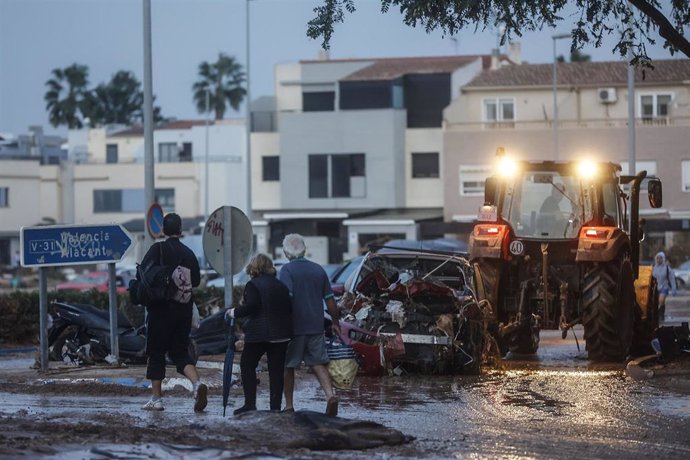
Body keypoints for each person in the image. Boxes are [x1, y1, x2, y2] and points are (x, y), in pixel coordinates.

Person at [140, 213, 207, 412]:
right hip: (183, 310)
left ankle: (156, 399)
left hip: (160, 310)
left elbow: (143, 273)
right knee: (180, 352)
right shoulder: (188, 253)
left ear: (163, 229)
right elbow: (195, 281)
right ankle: (196, 384)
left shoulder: (157, 249)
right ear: (180, 230)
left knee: (156, 352)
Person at [278, 233, 342, 417]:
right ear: (304, 249)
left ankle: (289, 405)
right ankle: (330, 395)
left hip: (294, 328)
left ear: (286, 252)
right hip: (316, 326)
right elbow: (330, 301)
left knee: (288, 366)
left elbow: (286, 299)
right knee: (318, 363)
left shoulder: (287, 270)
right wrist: (335, 323)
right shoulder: (318, 270)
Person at [226, 254, 292, 415]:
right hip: (281, 334)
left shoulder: (253, 285)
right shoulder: (281, 286)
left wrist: (233, 312)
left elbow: (253, 306)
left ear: (254, 267)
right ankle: (275, 407)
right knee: (276, 370)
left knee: (247, 364)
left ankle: (250, 404)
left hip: (260, 334)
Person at [652, 251, 677, 322]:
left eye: (661, 258)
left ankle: (660, 315)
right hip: (656, 288)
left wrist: (673, 289)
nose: (659, 260)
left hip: (664, 287)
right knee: (657, 302)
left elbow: (672, 278)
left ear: (663, 259)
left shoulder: (667, 268)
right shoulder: (653, 268)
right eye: (658, 258)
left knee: (661, 300)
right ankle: (660, 315)